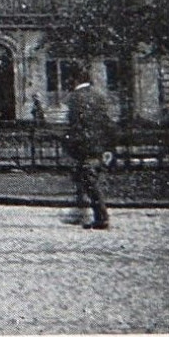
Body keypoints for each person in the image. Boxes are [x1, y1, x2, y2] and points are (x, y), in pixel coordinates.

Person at [62, 81, 117, 230]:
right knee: (85, 180)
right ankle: (84, 213)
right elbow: (107, 124)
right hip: (99, 146)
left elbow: (75, 126)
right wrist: (108, 148)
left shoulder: (75, 98)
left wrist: (70, 144)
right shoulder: (98, 95)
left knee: (89, 182)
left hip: (86, 146)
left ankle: (101, 217)